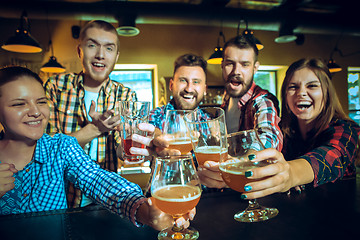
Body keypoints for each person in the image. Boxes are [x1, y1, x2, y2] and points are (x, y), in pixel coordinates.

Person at [0, 66, 194, 231]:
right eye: (19, 104)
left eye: (41, 102)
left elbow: (98, 180)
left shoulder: (59, 147)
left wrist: (144, 210)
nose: (35, 112)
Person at [43, 20, 137, 208]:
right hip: (61, 199)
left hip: (106, 200)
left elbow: (123, 152)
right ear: (80, 51)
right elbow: (47, 151)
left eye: (109, 49)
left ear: (116, 56)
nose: (100, 55)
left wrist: (131, 144)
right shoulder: (56, 87)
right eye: (92, 45)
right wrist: (95, 129)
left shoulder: (125, 95)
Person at [240, 58, 360, 200]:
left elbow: (330, 157)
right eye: (293, 87)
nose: (301, 93)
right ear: (285, 95)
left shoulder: (347, 130)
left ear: (327, 93)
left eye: (312, 86)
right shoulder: (283, 133)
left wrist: (291, 175)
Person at [198, 35, 283, 188]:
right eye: (230, 64)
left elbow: (269, 135)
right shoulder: (225, 101)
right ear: (222, 65)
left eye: (244, 64)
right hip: (230, 190)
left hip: (257, 191)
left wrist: (244, 160)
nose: (236, 71)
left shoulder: (262, 100)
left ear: (255, 68)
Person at [149, 53, 208, 132]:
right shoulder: (154, 117)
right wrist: (154, 137)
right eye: (183, 80)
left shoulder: (211, 121)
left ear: (205, 89)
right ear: (171, 85)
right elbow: (149, 133)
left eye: (196, 82)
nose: (189, 89)